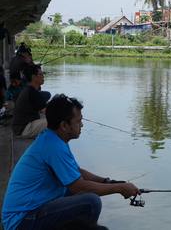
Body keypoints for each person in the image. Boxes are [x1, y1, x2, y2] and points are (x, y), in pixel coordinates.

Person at [2, 94, 141, 230]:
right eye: (78, 121)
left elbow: (77, 172)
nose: (82, 125)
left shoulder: (54, 139)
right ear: (63, 125)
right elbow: (80, 188)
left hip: (33, 208)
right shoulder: (53, 146)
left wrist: (107, 182)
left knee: (74, 190)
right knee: (91, 202)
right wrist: (120, 188)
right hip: (21, 220)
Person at [11, 65, 48, 139]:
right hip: (23, 129)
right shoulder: (33, 92)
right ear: (34, 77)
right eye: (41, 75)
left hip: (19, 128)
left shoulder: (27, 89)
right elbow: (48, 113)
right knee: (58, 121)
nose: (43, 77)